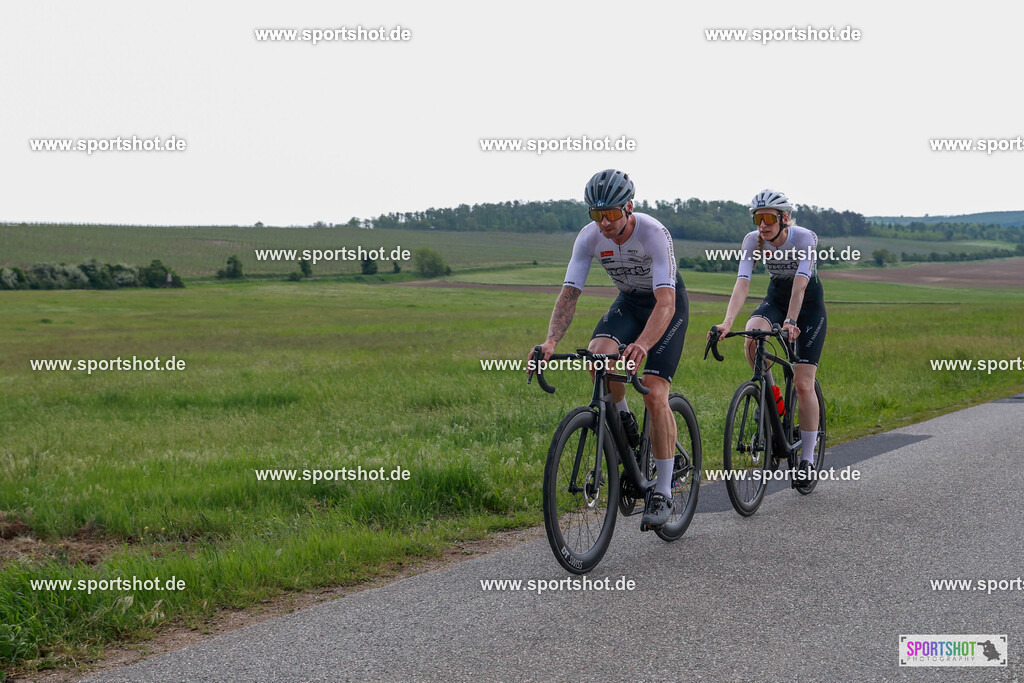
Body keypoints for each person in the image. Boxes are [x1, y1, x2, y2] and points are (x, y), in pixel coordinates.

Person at [532, 169, 688, 527]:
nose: (604, 222)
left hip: (666, 305)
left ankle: (663, 490)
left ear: (629, 207)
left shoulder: (653, 233)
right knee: (596, 354)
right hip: (630, 303)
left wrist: (643, 344)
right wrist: (550, 341)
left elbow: (665, 303)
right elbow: (569, 294)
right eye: (596, 214)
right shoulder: (589, 238)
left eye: (612, 214)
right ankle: (623, 417)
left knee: (654, 392)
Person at [710, 189, 826, 485]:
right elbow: (742, 283)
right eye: (757, 218)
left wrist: (791, 320)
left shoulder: (804, 238)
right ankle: (773, 397)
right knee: (753, 336)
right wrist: (727, 322)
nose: (762, 224)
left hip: (808, 306)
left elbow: (800, 285)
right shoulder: (753, 241)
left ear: (784, 218)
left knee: (803, 383)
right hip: (776, 297)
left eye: (768, 218)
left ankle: (808, 461)